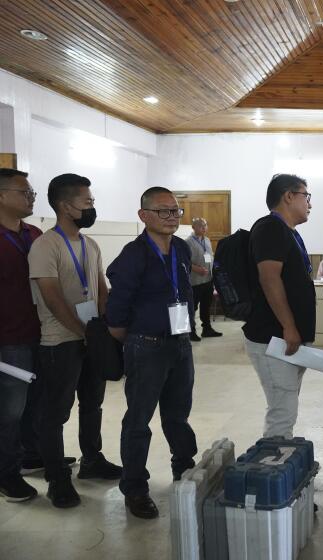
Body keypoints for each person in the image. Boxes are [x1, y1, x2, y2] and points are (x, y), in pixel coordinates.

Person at [28, 173, 122, 509]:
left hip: (91, 339)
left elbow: (100, 290)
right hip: (60, 342)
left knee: (93, 404)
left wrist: (104, 328)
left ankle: (92, 460)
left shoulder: (90, 244)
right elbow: (52, 298)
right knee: (56, 413)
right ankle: (57, 478)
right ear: (66, 206)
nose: (92, 206)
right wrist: (86, 333)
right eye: (87, 202)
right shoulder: (45, 245)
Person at [106, 186, 197, 519]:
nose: (171, 216)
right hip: (146, 346)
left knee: (178, 416)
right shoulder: (134, 254)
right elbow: (116, 311)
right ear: (143, 215)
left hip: (180, 344)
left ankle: (185, 471)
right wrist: (136, 339)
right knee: (138, 420)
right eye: (163, 211)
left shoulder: (182, 250)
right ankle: (135, 488)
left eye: (175, 211)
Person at [242, 174, 315, 440]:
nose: (309, 204)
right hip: (273, 338)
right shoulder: (270, 228)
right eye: (306, 196)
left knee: (287, 404)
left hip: (287, 339)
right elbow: (269, 278)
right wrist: (289, 326)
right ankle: (271, 470)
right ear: (288, 196)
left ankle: (279, 462)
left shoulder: (288, 232)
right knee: (282, 409)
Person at [0, 168, 43, 502]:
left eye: (31, 193)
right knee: (10, 410)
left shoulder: (34, 233)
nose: (30, 197)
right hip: (7, 336)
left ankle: (29, 455)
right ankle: (6, 474)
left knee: (34, 404)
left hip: (39, 331)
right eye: (23, 192)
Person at [186, 217, 222, 342]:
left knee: (206, 306)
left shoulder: (207, 240)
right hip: (195, 281)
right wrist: (197, 269)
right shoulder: (188, 242)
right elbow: (185, 262)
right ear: (193, 227)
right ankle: (191, 331)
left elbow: (210, 256)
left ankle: (207, 329)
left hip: (208, 280)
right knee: (193, 307)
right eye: (201, 226)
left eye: (205, 225)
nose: (204, 228)